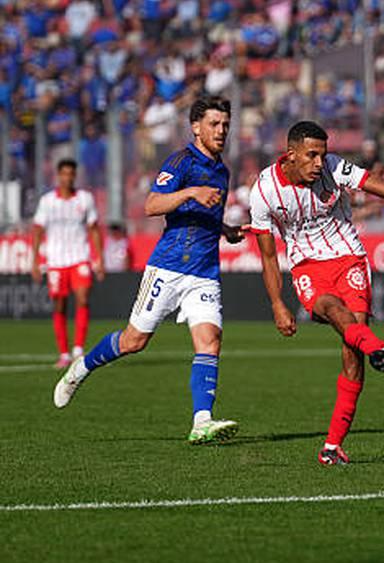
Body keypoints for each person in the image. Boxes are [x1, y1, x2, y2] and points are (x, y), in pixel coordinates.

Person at [248, 120, 384, 465]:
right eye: (312, 155)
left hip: (349, 258)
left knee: (352, 352)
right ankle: (382, 350)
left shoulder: (334, 168)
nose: (320, 163)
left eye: (323, 155)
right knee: (332, 309)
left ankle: (332, 446)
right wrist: (277, 303)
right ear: (291, 155)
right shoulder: (263, 191)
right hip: (307, 267)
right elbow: (269, 254)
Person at [53, 96, 245, 445]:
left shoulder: (222, 170)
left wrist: (226, 230)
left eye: (226, 125)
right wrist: (190, 192)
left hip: (204, 270)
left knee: (210, 341)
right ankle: (81, 368)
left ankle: (202, 420)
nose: (221, 131)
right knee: (134, 341)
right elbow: (152, 204)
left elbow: (206, 212)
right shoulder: (181, 162)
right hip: (168, 267)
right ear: (196, 127)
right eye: (214, 124)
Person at [31, 159, 104, 367]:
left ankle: (78, 349)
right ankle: (63, 353)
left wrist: (98, 258)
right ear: (58, 175)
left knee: (82, 299)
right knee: (59, 305)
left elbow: (94, 228)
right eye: (64, 174)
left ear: (75, 175)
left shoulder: (84, 199)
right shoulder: (47, 201)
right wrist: (35, 261)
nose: (67, 178)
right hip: (56, 260)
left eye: (71, 174)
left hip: (79, 257)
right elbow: (37, 230)